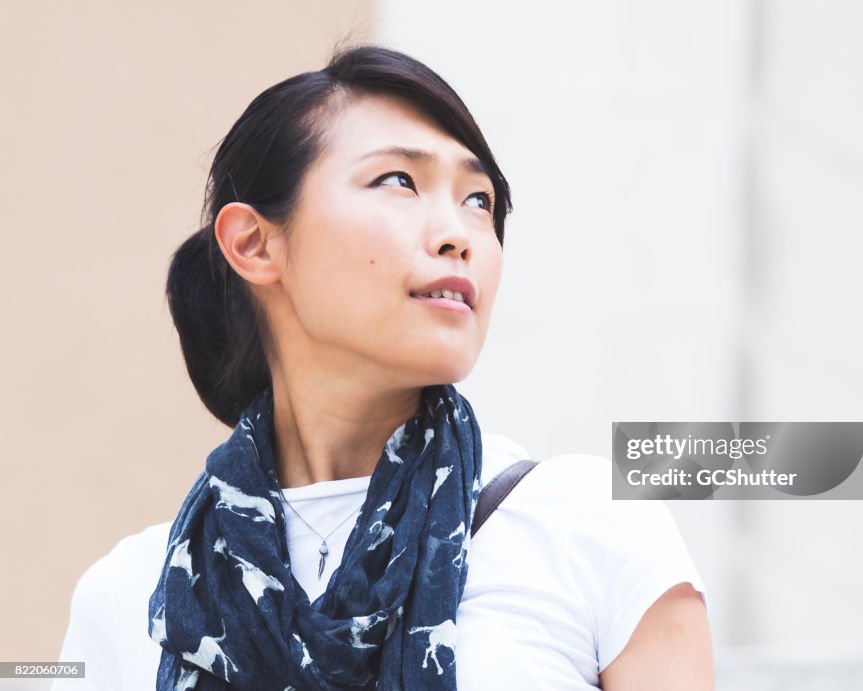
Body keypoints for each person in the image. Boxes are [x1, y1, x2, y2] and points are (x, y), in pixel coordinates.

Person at [55, 44, 713, 690]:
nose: (459, 232)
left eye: (479, 200)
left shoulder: (587, 525)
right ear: (254, 243)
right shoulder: (136, 596)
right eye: (398, 180)